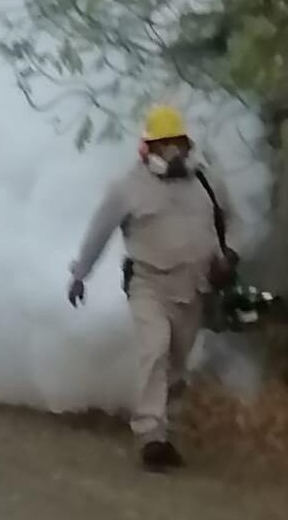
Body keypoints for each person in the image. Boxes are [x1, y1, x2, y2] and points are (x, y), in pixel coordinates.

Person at [67, 105, 242, 472]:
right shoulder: (127, 189)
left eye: (177, 143)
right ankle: (150, 435)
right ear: (147, 149)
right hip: (149, 285)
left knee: (177, 364)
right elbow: (98, 233)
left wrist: (229, 258)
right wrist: (80, 274)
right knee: (155, 349)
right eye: (164, 145)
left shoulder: (207, 184)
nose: (172, 153)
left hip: (194, 287)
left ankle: (165, 431)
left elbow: (230, 224)